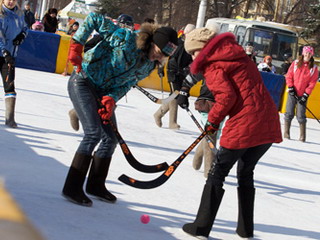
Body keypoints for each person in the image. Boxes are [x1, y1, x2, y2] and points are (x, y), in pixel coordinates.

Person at [62, 12, 178, 207]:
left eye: (165, 54)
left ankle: (95, 185)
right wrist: (77, 44)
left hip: (103, 93)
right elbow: (93, 19)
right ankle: (72, 187)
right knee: (93, 134)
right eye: (159, 49)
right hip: (83, 80)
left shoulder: (149, 65)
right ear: (152, 41)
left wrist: (111, 99)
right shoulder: (125, 38)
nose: (160, 56)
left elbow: (127, 83)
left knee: (110, 138)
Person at [179, 27, 282, 239]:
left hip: (246, 123)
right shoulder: (239, 56)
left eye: (193, 52)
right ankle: (246, 230)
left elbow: (227, 98)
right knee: (246, 173)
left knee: (218, 173)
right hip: (268, 121)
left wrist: (212, 122)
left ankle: (200, 227)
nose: (192, 56)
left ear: (203, 48)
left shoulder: (214, 65)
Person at [68, 14, 135, 130]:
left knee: (108, 103)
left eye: (129, 25)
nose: (126, 28)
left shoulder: (130, 42)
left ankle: (80, 114)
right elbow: (89, 46)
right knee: (96, 102)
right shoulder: (109, 34)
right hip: (96, 74)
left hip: (112, 79)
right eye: (124, 25)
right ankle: (79, 114)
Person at [153, 23, 195, 129]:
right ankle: (172, 122)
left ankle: (158, 114)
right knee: (175, 95)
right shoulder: (177, 43)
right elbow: (165, 55)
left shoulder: (192, 45)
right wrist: (161, 68)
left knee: (174, 95)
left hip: (182, 73)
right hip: (172, 71)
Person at [0, 0, 28, 128]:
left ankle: (10, 118)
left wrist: (22, 35)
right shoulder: (1, 14)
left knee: (10, 85)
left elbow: (25, 28)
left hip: (10, 56)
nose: (11, 2)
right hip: (4, 53)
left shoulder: (19, 14)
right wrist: (4, 51)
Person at [283, 46, 318, 142]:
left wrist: (306, 95)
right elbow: (289, 76)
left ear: (312, 55)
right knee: (289, 112)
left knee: (301, 115)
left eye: (310, 54)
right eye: (306, 53)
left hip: (303, 95)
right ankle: (286, 133)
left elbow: (312, 83)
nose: (308, 55)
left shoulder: (313, 68)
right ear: (303, 53)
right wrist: (290, 87)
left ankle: (302, 136)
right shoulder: (295, 63)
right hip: (292, 92)